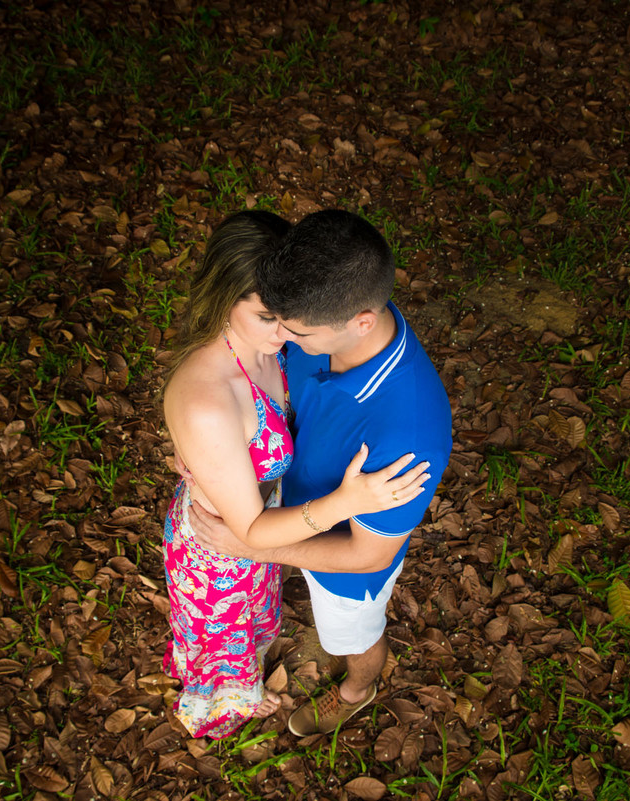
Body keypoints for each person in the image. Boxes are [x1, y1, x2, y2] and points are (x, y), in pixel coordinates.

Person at [160, 210, 430, 740]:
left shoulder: (273, 343)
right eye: (269, 316)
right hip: (223, 551)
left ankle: (286, 683)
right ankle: (223, 707)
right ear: (223, 299)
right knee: (225, 643)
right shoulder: (208, 402)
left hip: (264, 530)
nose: (289, 332)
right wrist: (345, 501)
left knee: (258, 626)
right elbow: (252, 534)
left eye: (291, 316)